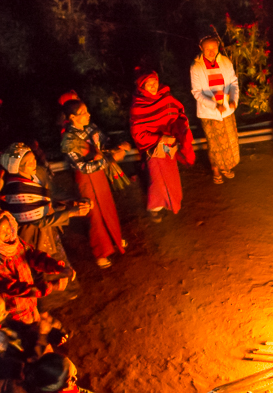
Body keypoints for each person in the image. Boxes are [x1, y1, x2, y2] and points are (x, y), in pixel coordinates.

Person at [60, 98, 130, 269]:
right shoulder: (69, 140)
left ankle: (114, 238)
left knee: (107, 206)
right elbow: (82, 167)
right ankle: (101, 252)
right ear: (72, 118)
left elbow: (104, 143)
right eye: (82, 113)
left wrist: (117, 146)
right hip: (85, 178)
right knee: (94, 214)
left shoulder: (92, 128)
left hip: (99, 175)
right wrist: (111, 159)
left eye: (86, 111)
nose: (88, 115)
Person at [0, 209, 72, 325]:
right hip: (14, 311)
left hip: (29, 302)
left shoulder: (13, 243)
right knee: (28, 336)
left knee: (37, 329)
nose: (9, 232)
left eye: (8, 227)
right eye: (2, 231)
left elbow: (33, 256)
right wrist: (49, 287)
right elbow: (12, 287)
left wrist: (55, 266)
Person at [0, 142, 90, 266]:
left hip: (50, 228)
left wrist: (76, 200)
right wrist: (71, 213)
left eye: (34, 159)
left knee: (59, 259)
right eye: (28, 163)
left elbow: (53, 191)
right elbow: (39, 222)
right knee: (43, 264)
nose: (34, 163)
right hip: (34, 235)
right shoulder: (17, 191)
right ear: (17, 167)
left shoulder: (39, 173)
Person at [130, 70, 196, 221]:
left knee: (170, 173)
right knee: (156, 178)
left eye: (155, 83)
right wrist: (160, 137)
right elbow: (137, 133)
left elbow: (177, 113)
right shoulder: (137, 107)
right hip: (152, 147)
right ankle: (155, 207)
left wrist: (178, 130)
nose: (153, 86)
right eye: (149, 84)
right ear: (141, 86)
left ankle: (170, 202)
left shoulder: (165, 98)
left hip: (169, 145)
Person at [190, 36, 241, 183]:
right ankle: (216, 168)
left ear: (218, 46)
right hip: (209, 113)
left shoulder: (225, 62)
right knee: (215, 143)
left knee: (229, 141)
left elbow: (233, 82)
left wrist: (233, 100)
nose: (211, 52)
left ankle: (226, 166)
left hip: (226, 109)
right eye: (207, 49)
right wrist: (214, 105)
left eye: (214, 48)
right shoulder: (197, 66)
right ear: (201, 48)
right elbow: (197, 92)